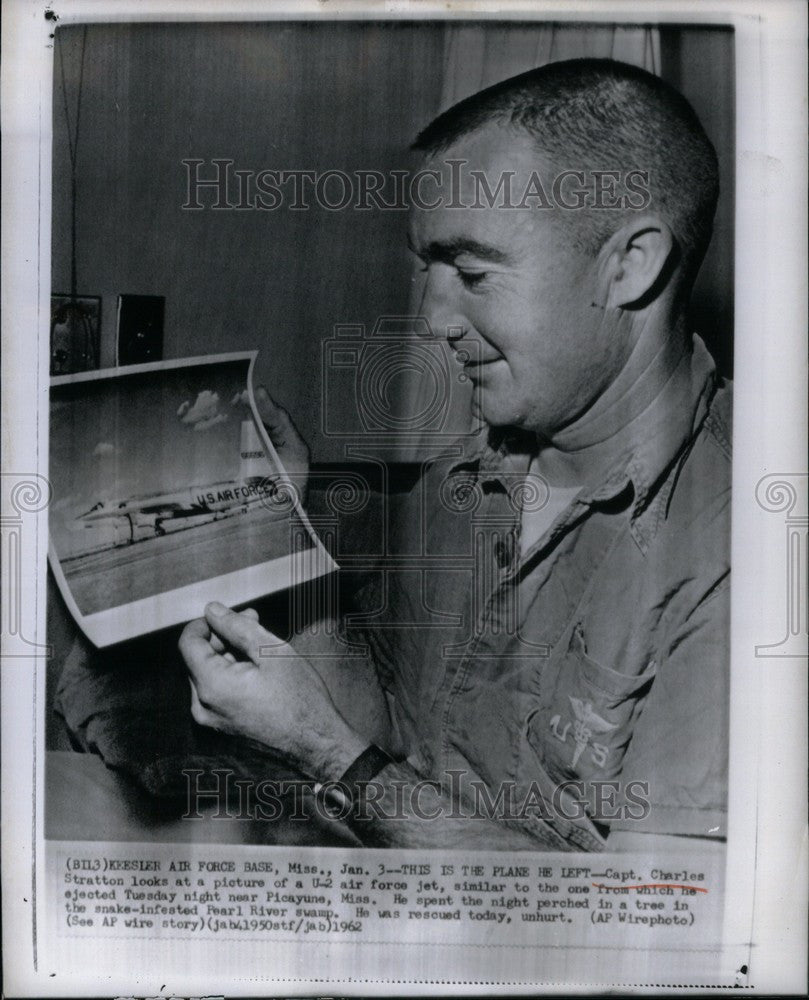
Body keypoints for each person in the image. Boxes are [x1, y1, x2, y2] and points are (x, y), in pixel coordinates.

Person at [180, 59, 731, 851]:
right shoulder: (463, 477)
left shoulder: (745, 541)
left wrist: (330, 756)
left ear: (629, 265)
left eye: (471, 271)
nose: (434, 319)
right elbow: (395, 729)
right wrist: (286, 536)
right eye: (427, 270)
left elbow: (651, 922)